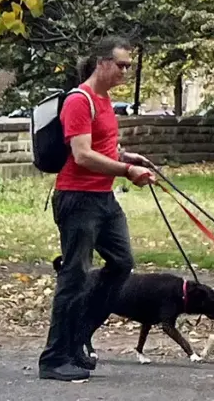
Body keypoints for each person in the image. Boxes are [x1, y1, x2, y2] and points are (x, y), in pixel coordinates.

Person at [39, 38, 161, 381]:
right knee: (74, 277)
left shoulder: (105, 101)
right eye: (121, 64)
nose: (125, 71)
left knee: (122, 263)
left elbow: (103, 147)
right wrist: (126, 172)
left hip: (103, 199)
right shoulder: (80, 100)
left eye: (128, 66)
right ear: (102, 63)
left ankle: (78, 336)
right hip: (77, 199)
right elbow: (81, 155)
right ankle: (54, 358)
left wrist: (127, 157)